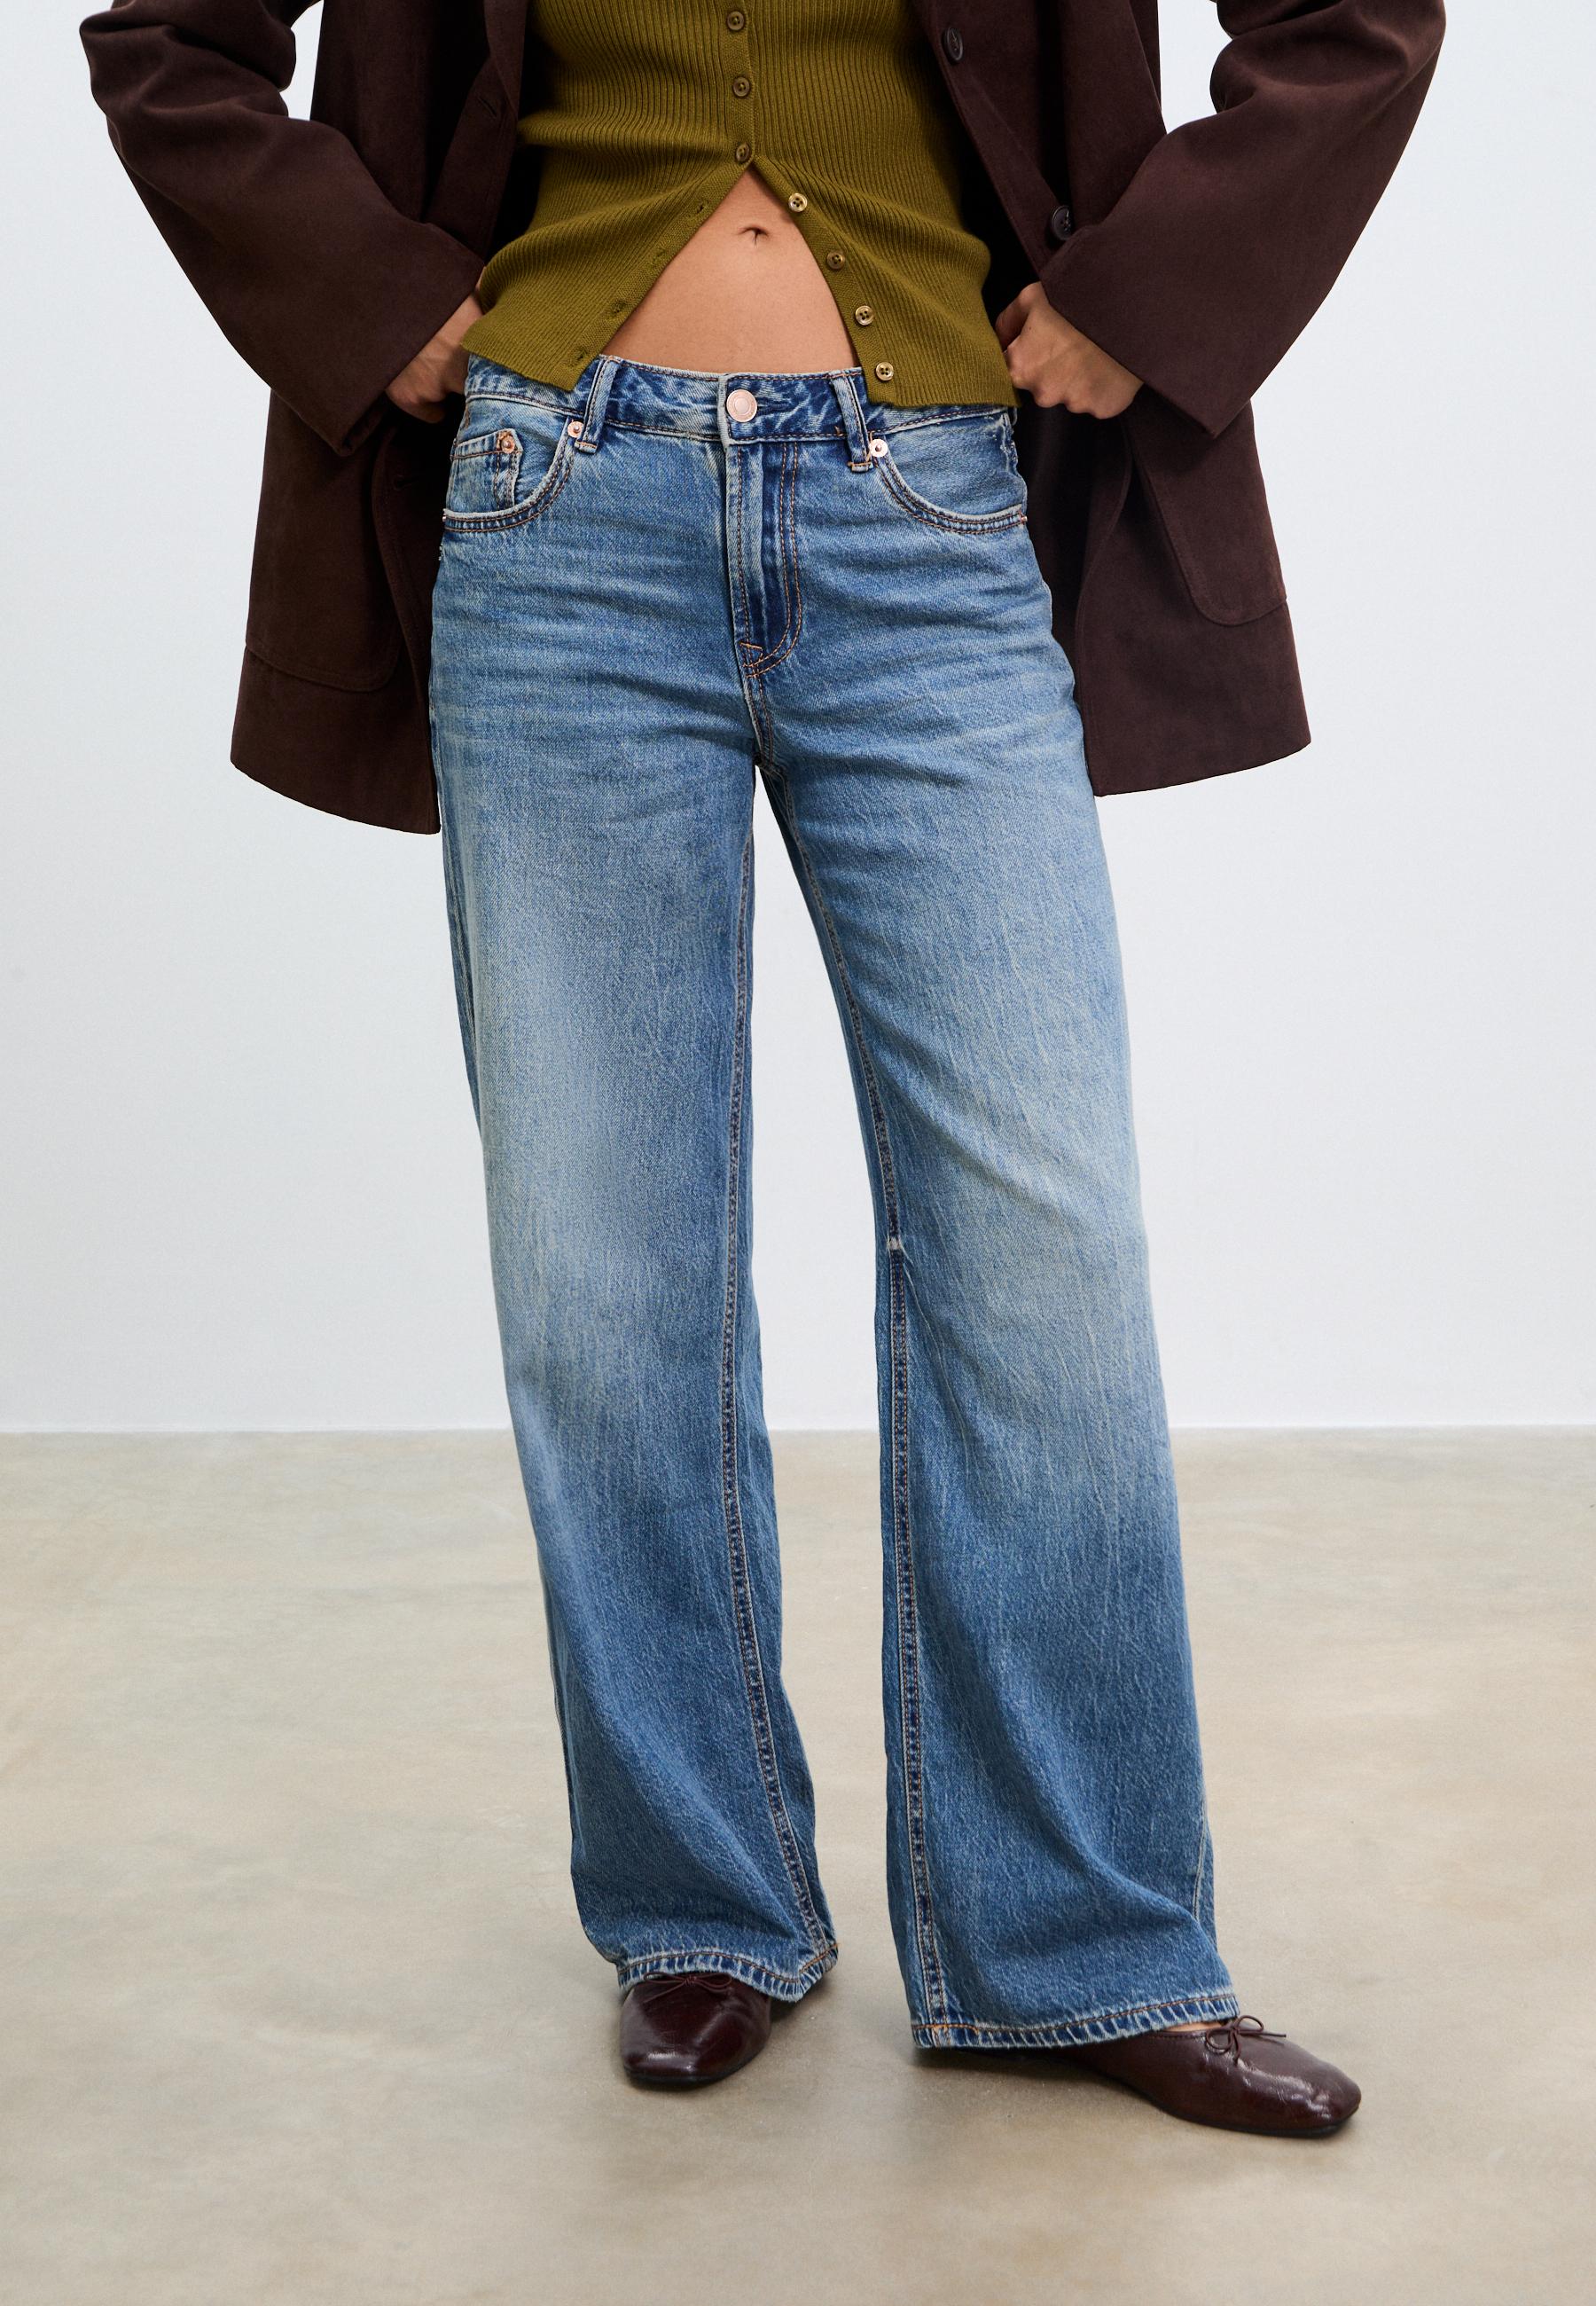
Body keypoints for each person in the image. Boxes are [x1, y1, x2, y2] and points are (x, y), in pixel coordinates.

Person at [81, 0, 1444, 2130]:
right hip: (556, 512)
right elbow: (170, 38)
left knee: (1042, 1258)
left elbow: (1354, 21)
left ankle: (1080, 1948)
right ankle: (699, 1908)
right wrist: (370, 298)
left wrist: (1152, 287)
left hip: (931, 503)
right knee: (604, 1279)